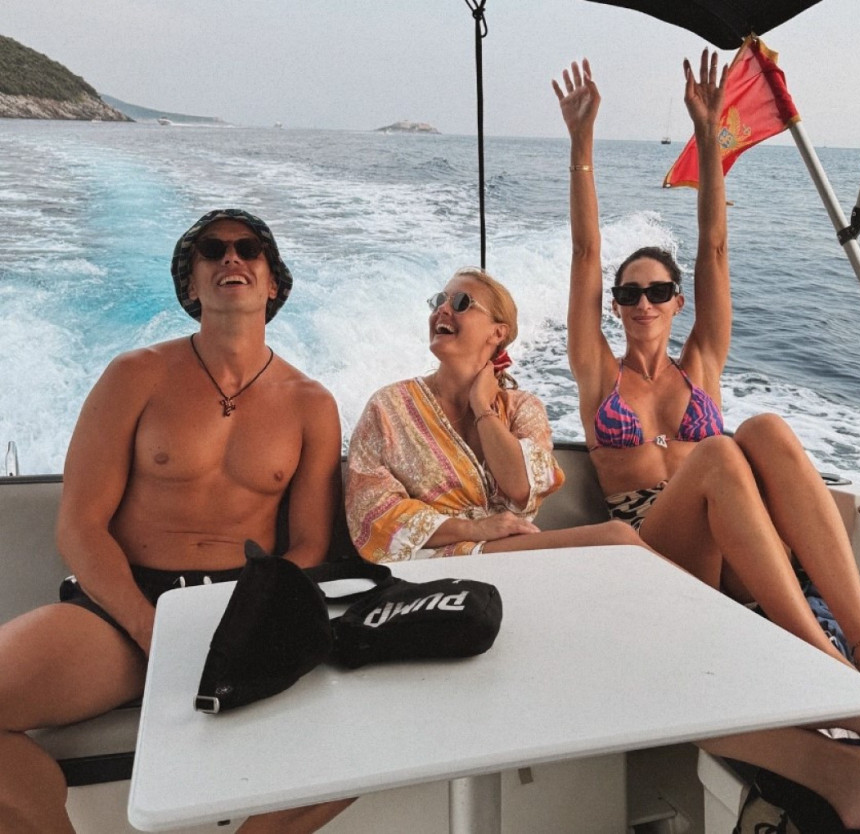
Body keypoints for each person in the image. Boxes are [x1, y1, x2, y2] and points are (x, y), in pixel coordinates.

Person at [554, 52, 860, 827]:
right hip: (656, 552)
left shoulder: (701, 365)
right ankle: (829, 671)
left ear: (678, 303)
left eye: (658, 291)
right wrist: (582, 146)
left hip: (737, 559)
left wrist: (710, 138)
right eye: (630, 293)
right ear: (616, 305)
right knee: (718, 452)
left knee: (764, 429)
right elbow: (583, 254)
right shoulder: (599, 375)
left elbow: (714, 246)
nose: (643, 302)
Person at [0, 209, 350, 833]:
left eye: (248, 249)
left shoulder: (312, 405)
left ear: (273, 281)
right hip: (120, 608)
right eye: (211, 250)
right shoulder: (135, 375)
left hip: (241, 604)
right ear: (191, 284)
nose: (230, 258)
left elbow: (308, 545)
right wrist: (148, 626)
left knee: (365, 747)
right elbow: (79, 525)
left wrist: (245, 620)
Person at [346, 266, 642, 562]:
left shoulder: (522, 408)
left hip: (504, 560)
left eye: (461, 302)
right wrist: (474, 529)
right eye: (438, 301)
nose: (443, 310)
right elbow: (372, 511)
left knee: (621, 539)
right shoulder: (388, 407)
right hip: (430, 564)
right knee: (617, 537)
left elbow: (521, 488)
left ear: (498, 332)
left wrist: (481, 407)